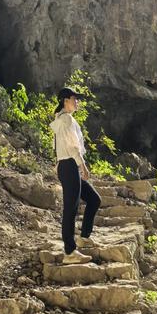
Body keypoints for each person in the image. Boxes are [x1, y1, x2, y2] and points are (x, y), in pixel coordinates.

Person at [49, 86, 102, 264]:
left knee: (94, 199)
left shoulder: (62, 119)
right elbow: (72, 147)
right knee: (70, 209)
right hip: (69, 165)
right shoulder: (67, 120)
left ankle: (83, 237)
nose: (77, 102)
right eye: (74, 99)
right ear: (65, 101)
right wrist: (83, 167)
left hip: (66, 166)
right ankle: (69, 252)